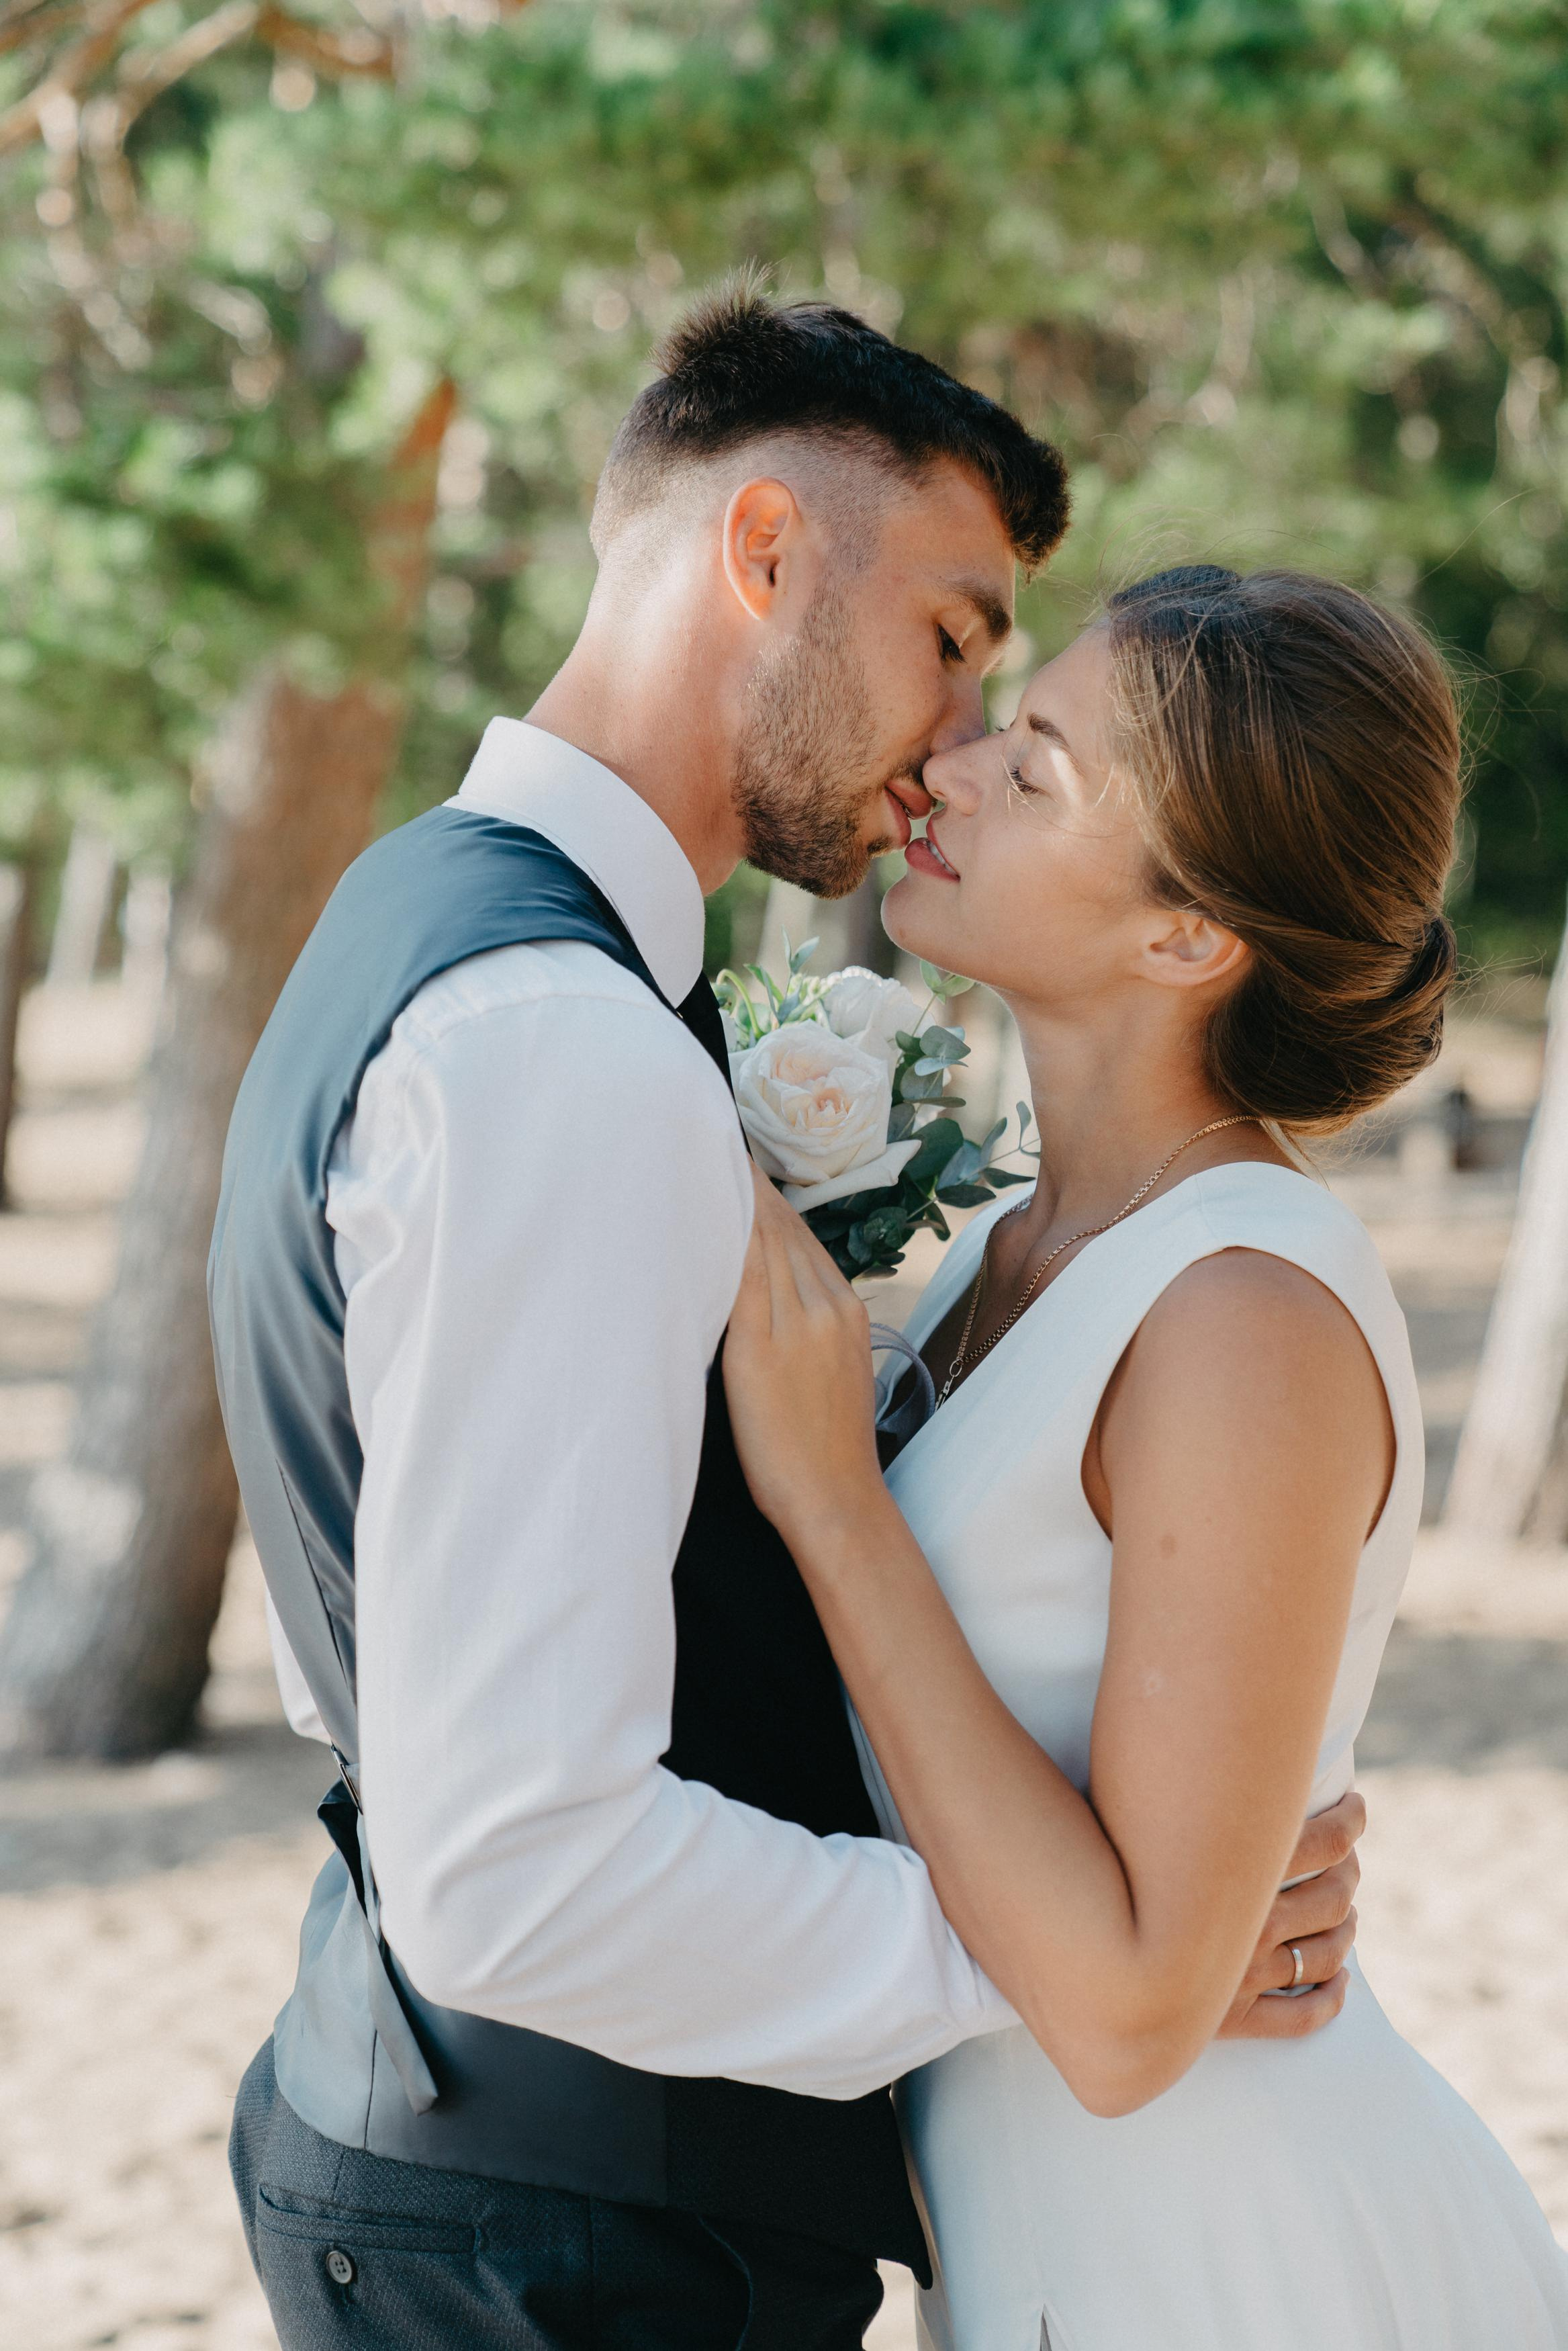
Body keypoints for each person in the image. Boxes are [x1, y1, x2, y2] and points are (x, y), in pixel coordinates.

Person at [210, 294, 1363, 2351]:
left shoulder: (453, 923)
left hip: (536, 2169)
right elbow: (520, 1862)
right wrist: (1085, 1955)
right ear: (761, 555)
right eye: (950, 638)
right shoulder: (554, 1038)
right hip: (575, 2228)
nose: (950, 743)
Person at [721, 565, 1568, 2349]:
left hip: (1233, 2257)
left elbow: (1120, 2014)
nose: (946, 765)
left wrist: (829, 1495)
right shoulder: (1013, 1240)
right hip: (1047, 2243)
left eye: (1036, 767)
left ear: (1188, 937)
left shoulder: (1240, 1315)